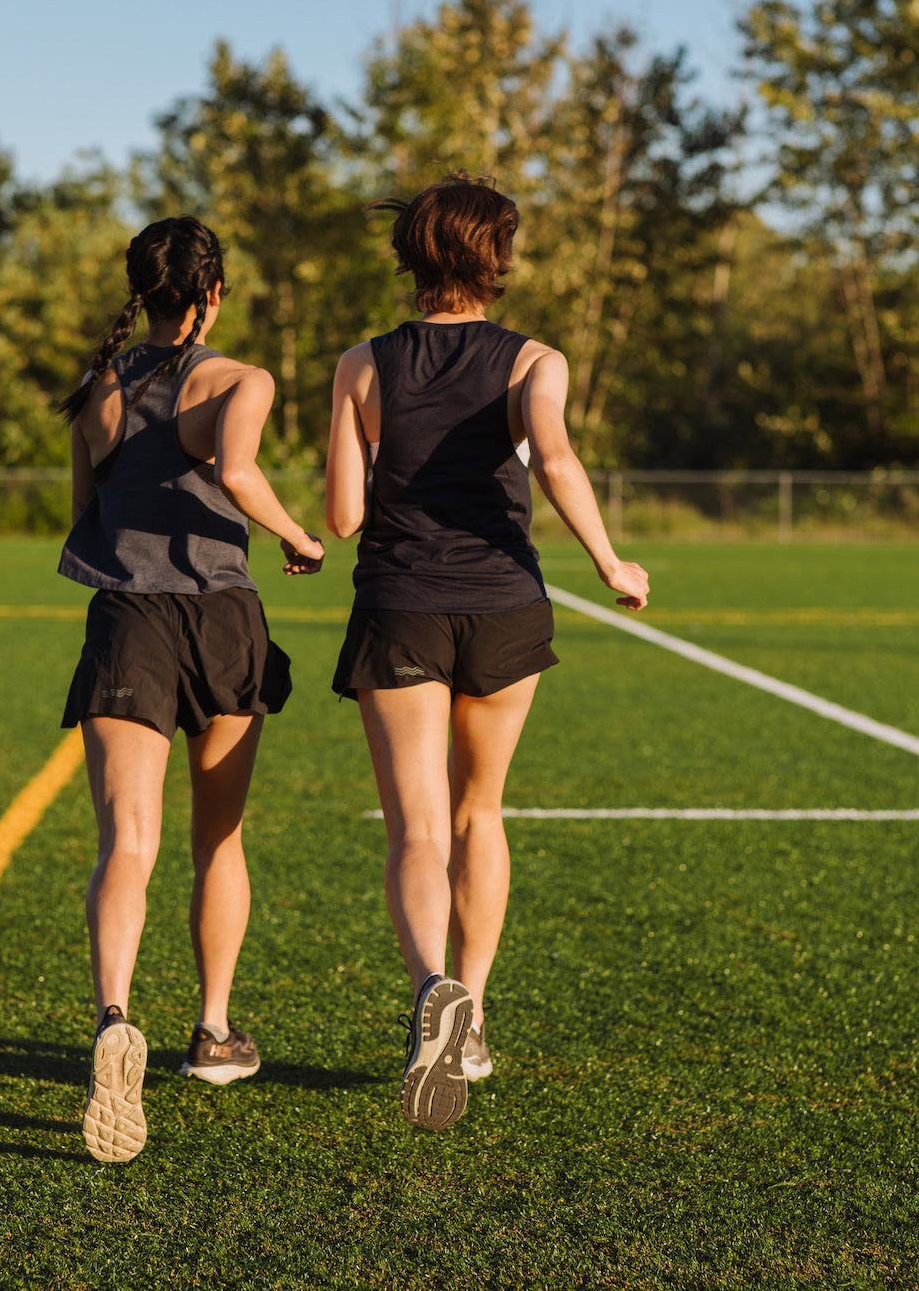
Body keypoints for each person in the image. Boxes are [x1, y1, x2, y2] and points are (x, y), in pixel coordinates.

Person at [326, 174, 648, 1132]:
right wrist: (610, 559)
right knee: (481, 813)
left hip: (400, 605)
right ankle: (470, 1015)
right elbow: (553, 459)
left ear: (411, 257)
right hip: (506, 603)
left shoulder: (361, 363)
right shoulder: (533, 361)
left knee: (416, 827)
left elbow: (344, 517)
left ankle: (431, 987)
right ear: (495, 255)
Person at [57, 215, 324, 1164]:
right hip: (219, 617)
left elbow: (86, 507)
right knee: (220, 836)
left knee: (126, 839)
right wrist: (297, 536)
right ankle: (212, 1033)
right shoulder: (241, 380)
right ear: (214, 294)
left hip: (126, 619)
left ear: (142, 289)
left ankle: (113, 1019)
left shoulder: (101, 386)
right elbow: (240, 470)